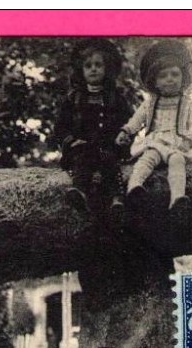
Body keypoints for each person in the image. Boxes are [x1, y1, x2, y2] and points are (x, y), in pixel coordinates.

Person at [116, 39, 192, 223]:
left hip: (177, 144)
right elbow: (136, 120)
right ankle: (134, 186)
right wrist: (126, 132)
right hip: (155, 142)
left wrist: (189, 140)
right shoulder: (149, 104)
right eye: (163, 76)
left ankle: (177, 198)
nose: (170, 79)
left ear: (183, 78)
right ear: (154, 81)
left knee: (177, 160)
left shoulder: (189, 104)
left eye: (175, 74)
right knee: (147, 158)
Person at [51, 38, 133, 222]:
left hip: (109, 146)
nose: (93, 69)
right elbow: (60, 127)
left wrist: (125, 136)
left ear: (107, 69)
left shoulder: (116, 97)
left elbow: (129, 122)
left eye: (98, 65)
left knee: (109, 161)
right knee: (83, 158)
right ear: (81, 70)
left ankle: (117, 198)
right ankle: (80, 191)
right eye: (88, 65)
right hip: (82, 147)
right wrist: (71, 141)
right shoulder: (74, 98)